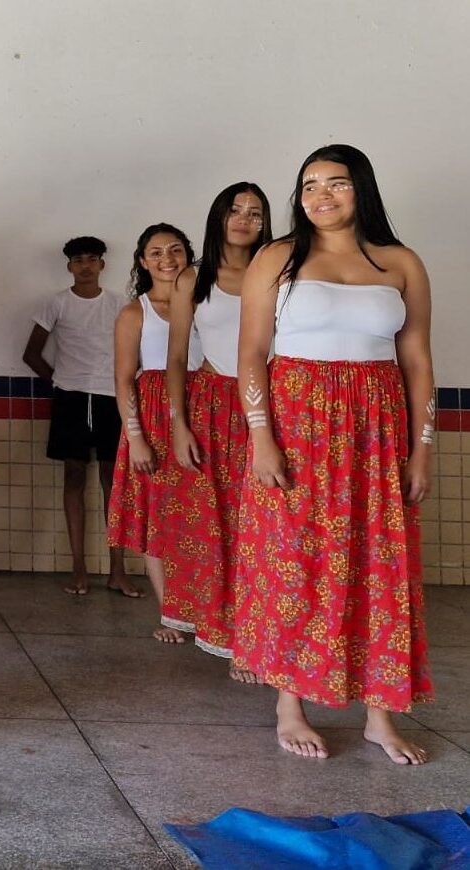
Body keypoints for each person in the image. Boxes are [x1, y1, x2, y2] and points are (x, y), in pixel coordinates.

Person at [235, 145, 433, 763]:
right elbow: (251, 354)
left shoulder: (401, 261)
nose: (321, 195)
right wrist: (261, 436)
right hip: (296, 426)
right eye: (309, 185)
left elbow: (417, 360)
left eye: (336, 183)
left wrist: (422, 450)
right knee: (293, 561)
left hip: (377, 432)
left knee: (379, 564)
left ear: (361, 188)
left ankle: (380, 714)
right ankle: (289, 705)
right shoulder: (276, 257)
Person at [164, 183, 272, 680]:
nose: (244, 219)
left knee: (266, 523)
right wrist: (179, 423)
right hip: (212, 407)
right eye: (235, 210)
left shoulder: (280, 270)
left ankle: (266, 634)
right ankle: (230, 637)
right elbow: (176, 357)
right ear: (218, 217)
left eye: (255, 212)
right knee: (221, 525)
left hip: (271, 406)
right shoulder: (194, 277)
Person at [23, 237, 139, 597]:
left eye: (92, 259)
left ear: (102, 264)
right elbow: (31, 353)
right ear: (69, 267)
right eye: (78, 260)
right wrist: (61, 381)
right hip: (70, 398)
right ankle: (78, 568)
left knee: (112, 480)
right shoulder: (57, 303)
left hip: (111, 397)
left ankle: (117, 570)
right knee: (73, 477)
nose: (85, 266)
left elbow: (137, 351)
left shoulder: (121, 305)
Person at [106, 225, 202, 639]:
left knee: (200, 514)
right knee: (158, 516)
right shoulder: (135, 312)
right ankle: (170, 613)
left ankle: (206, 609)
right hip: (154, 419)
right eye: (157, 252)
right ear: (143, 262)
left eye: (176, 250)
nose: (167, 259)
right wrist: (136, 437)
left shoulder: (206, 303)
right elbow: (124, 379)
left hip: (203, 411)